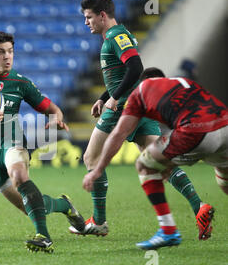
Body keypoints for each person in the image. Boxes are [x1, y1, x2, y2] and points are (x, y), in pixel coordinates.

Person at [70, 0, 208, 239]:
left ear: (102, 15)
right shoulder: (116, 36)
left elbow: (136, 68)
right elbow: (125, 72)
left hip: (124, 107)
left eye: (89, 17)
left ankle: (99, 221)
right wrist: (104, 96)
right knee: (160, 160)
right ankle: (200, 207)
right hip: (140, 104)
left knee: (91, 159)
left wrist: (114, 98)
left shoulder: (116, 37)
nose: (86, 22)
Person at [0, 31, 85, 253]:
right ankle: (64, 206)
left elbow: (50, 108)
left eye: (10, 52)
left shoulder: (20, 82)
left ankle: (44, 237)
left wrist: (57, 117)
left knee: (20, 176)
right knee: (29, 206)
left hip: (11, 138)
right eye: (1, 52)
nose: (7, 57)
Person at [83, 67, 228, 249]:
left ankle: (168, 231)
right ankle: (199, 205)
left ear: (143, 82)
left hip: (196, 131)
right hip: (224, 125)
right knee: (224, 182)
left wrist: (97, 170)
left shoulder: (141, 92)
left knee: (145, 164)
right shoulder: (182, 82)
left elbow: (119, 133)